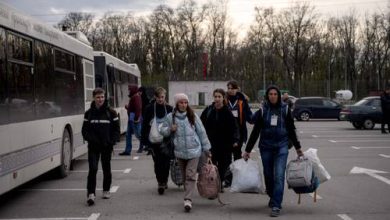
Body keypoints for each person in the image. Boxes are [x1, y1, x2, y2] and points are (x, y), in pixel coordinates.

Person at [242, 85, 303, 217]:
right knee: (268, 175)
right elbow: (255, 131)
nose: (273, 96)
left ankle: (276, 205)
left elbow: (291, 130)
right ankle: (272, 195)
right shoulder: (263, 110)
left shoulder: (285, 109)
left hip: (281, 146)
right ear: (267, 96)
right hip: (266, 147)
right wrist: (247, 150)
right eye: (270, 94)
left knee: (279, 176)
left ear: (279, 95)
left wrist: (298, 148)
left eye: (275, 94)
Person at [160, 93, 211, 212]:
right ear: (177, 104)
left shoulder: (192, 116)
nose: (184, 105)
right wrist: (169, 129)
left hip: (194, 151)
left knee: (190, 174)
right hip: (180, 152)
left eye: (185, 102)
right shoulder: (170, 117)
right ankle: (188, 193)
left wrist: (207, 149)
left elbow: (202, 132)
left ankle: (188, 199)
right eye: (181, 102)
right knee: (184, 177)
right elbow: (162, 130)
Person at [82, 88, 120, 206]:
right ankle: (91, 194)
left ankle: (106, 190)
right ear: (94, 98)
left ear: (105, 97)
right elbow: (84, 130)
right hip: (93, 147)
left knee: (106, 168)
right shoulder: (88, 113)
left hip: (106, 146)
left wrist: (111, 142)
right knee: (93, 169)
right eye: (98, 97)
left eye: (102, 97)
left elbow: (116, 130)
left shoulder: (111, 113)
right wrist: (91, 139)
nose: (100, 99)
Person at [200, 88, 239, 192]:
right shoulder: (208, 110)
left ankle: (219, 183)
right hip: (211, 144)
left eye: (219, 97)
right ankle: (213, 185)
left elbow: (234, 127)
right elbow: (200, 125)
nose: (217, 99)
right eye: (215, 96)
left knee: (223, 166)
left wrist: (235, 140)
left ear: (223, 98)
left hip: (225, 145)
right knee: (211, 165)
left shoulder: (227, 112)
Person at [141, 87, 173, 195]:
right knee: (157, 162)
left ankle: (164, 180)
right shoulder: (149, 109)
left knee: (166, 162)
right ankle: (160, 182)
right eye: (158, 97)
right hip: (153, 140)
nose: (160, 99)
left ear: (165, 97)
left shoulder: (169, 108)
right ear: (155, 97)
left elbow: (173, 124)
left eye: (162, 97)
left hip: (166, 140)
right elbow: (145, 125)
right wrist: (145, 141)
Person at [226, 80, 253, 161]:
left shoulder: (242, 101)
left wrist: (256, 119)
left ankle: (237, 172)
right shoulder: (224, 100)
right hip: (227, 131)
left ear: (237, 89)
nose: (230, 90)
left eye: (232, 88)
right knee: (226, 155)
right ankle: (227, 172)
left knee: (237, 153)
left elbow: (249, 115)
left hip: (240, 131)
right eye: (229, 88)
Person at [120, 84, 142, 156]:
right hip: (131, 118)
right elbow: (134, 108)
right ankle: (127, 150)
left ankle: (146, 145)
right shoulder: (134, 97)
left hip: (134, 118)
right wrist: (128, 108)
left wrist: (136, 119)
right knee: (128, 134)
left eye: (130, 89)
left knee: (138, 134)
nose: (129, 90)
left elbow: (138, 109)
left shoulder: (136, 97)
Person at [138, 86, 150, 152]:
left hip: (143, 117)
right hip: (143, 117)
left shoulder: (143, 99)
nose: (139, 93)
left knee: (143, 132)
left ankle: (143, 146)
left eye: (140, 91)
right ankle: (144, 146)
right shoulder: (145, 98)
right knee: (143, 132)